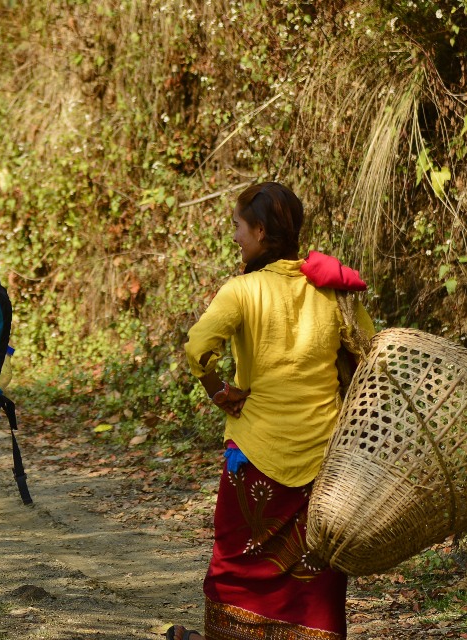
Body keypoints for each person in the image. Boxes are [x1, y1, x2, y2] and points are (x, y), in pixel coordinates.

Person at [166, 182, 374, 640]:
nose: (235, 237)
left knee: (240, 563)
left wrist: (217, 389)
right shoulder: (333, 291)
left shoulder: (242, 291)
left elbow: (199, 347)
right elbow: (369, 355)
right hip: (324, 460)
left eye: (238, 227)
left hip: (255, 451)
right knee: (315, 573)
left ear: (260, 231)